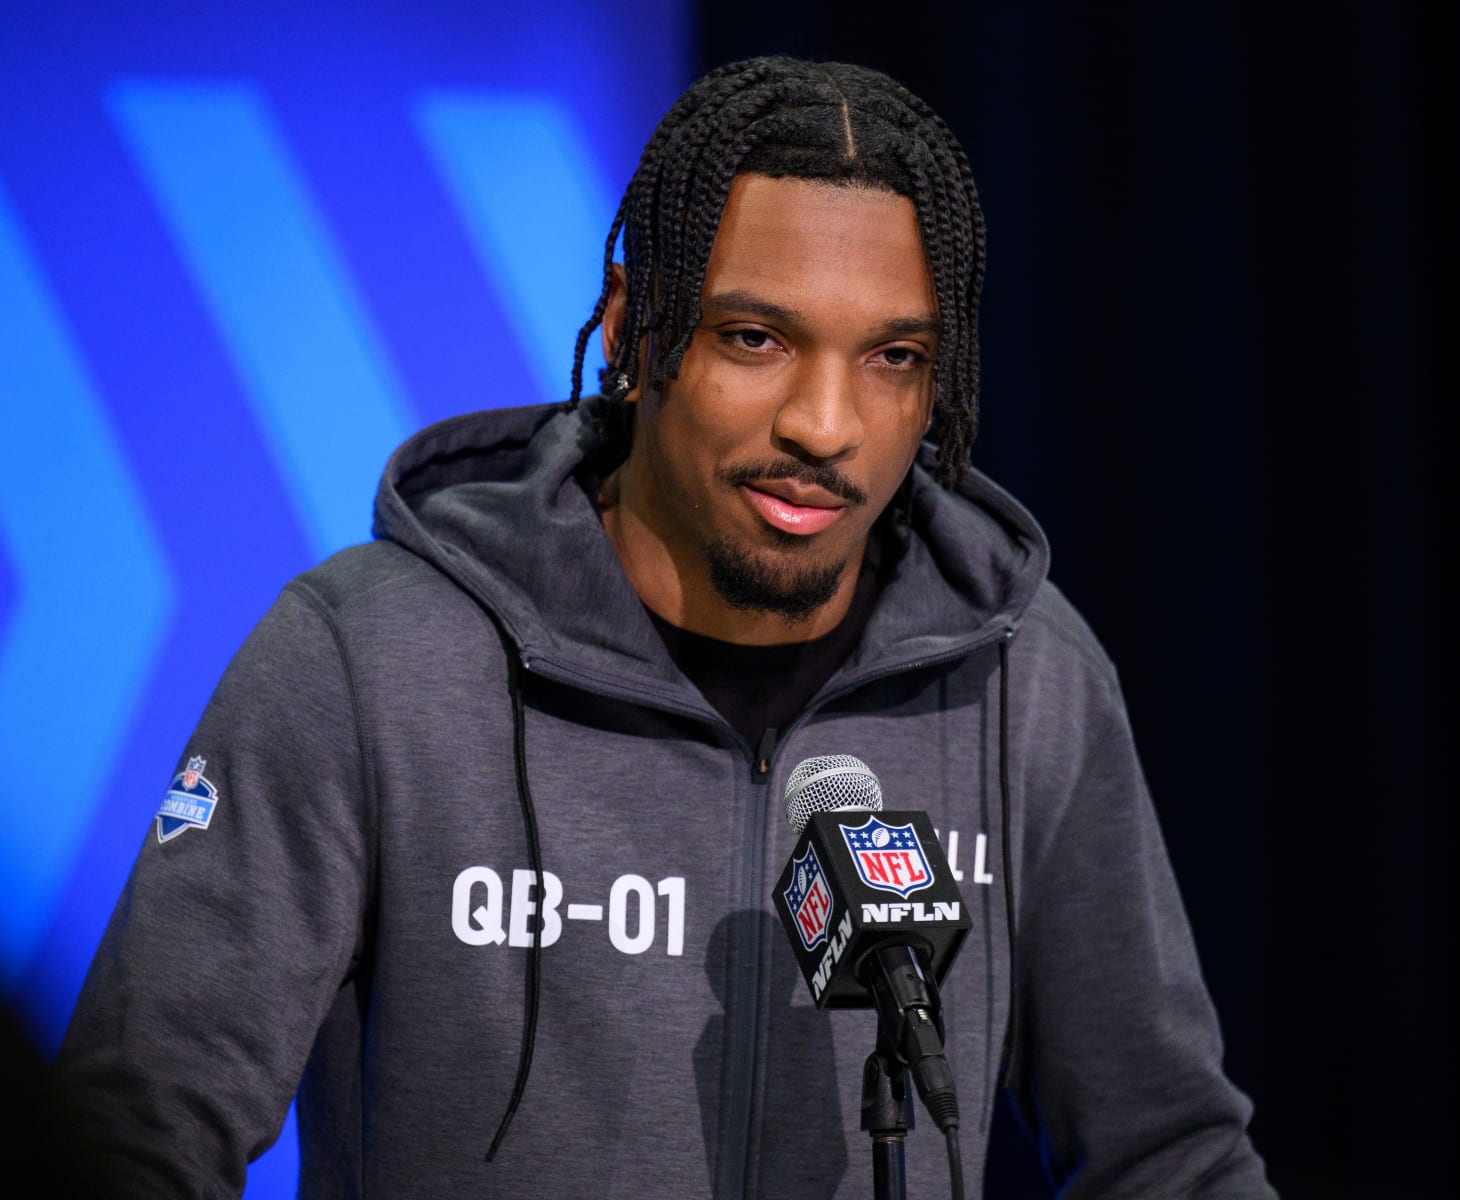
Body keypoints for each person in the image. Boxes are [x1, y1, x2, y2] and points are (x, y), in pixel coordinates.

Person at [57, 57, 1275, 1197]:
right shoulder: (369, 663)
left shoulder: (1026, 681)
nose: (825, 423)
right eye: (758, 338)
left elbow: (1168, 1152)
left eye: (892, 357)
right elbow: (134, 1133)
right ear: (638, 328)